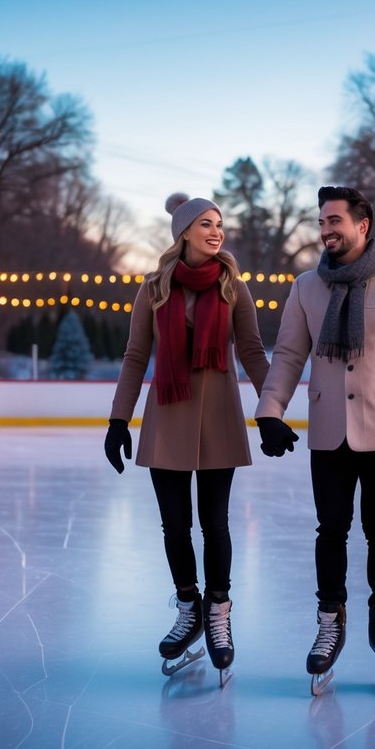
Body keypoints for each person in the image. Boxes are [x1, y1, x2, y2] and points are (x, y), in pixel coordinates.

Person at [253, 185, 375, 696]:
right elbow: (289, 356)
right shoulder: (305, 288)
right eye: (322, 221)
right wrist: (271, 411)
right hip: (328, 432)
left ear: (362, 225)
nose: (326, 230)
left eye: (335, 221)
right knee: (330, 532)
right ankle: (330, 621)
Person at [105, 193, 269, 685]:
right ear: (184, 233)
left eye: (219, 224)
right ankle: (188, 606)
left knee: (214, 523)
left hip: (218, 413)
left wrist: (273, 407)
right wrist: (118, 421)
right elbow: (137, 356)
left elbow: (254, 351)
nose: (216, 232)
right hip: (168, 415)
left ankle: (218, 611)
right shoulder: (154, 288)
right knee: (175, 527)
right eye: (205, 224)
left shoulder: (232, 287)